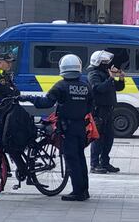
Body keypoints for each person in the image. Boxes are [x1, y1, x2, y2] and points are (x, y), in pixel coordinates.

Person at [19, 54, 93, 201]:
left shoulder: (61, 86)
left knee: (71, 159)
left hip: (68, 128)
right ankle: (84, 190)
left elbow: (46, 103)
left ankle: (78, 192)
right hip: (81, 127)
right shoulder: (86, 85)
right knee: (80, 158)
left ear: (62, 68)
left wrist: (28, 98)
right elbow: (91, 105)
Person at [87, 50, 125, 174]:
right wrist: (110, 78)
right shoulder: (94, 74)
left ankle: (105, 162)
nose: (108, 64)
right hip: (99, 110)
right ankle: (94, 164)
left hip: (109, 110)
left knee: (109, 138)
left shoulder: (105, 73)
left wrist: (120, 78)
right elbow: (98, 88)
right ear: (100, 62)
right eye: (106, 62)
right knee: (98, 138)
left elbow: (118, 88)